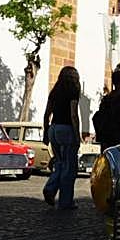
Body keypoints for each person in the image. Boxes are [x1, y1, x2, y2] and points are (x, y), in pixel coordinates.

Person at [42, 65, 81, 210]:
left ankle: (50, 188)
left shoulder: (54, 92)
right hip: (67, 130)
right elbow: (73, 114)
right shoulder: (73, 91)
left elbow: (46, 114)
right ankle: (66, 202)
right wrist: (77, 136)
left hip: (54, 129)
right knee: (69, 168)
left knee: (59, 163)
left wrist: (46, 132)